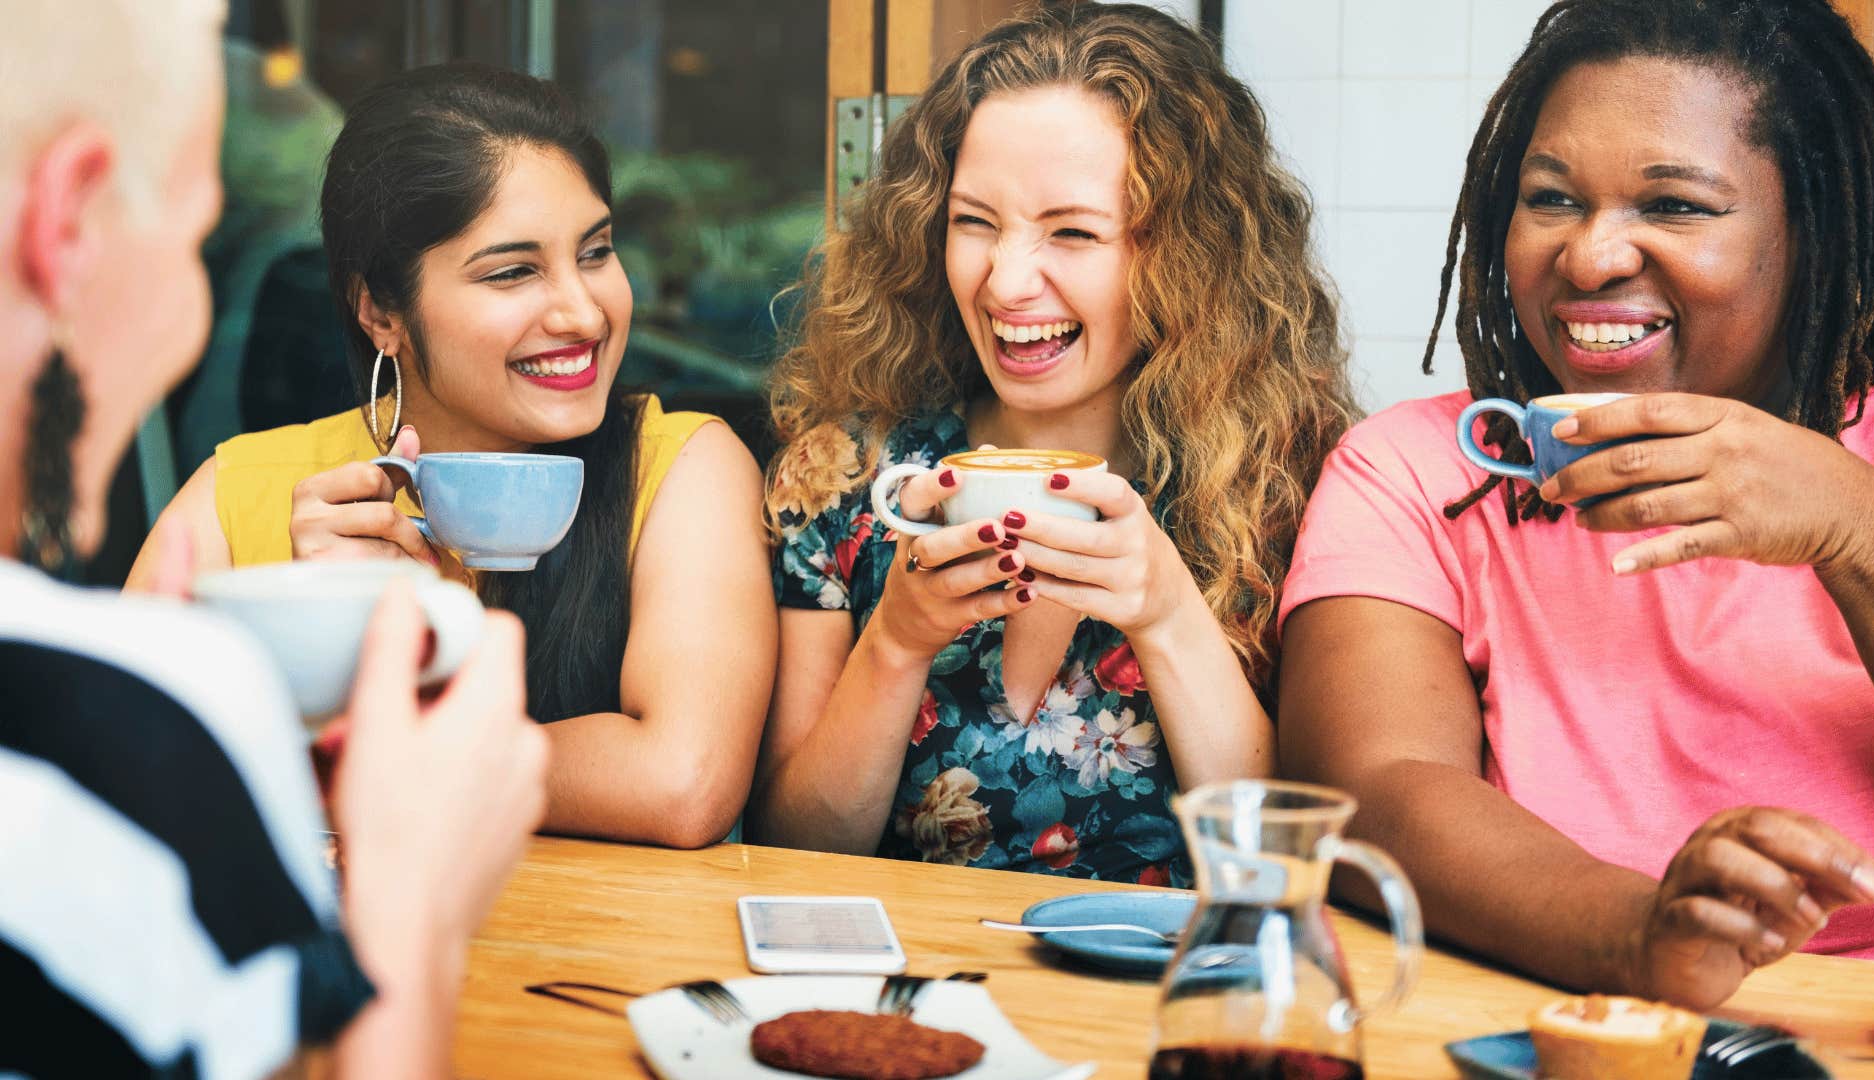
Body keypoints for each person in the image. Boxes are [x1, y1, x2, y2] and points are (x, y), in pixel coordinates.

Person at [1277, 0, 1874, 1011]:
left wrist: (1862, 529)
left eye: (1674, 205)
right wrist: (1638, 934)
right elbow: (1374, 790)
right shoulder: (1417, 470)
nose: (1589, 258)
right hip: (1547, 1017)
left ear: (1812, 229)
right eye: (1552, 199)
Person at [0, 1, 547, 1075]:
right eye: (194, 239)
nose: (191, 319)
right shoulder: (98, 740)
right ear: (67, 226)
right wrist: (412, 912)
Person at [757, 3, 1354, 880]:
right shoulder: (843, 479)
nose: (1005, 282)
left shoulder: (1299, 487)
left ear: (1190, 254)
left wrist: (1168, 616)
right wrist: (896, 643)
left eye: (1072, 232)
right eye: (973, 221)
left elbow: (1284, 870)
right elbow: (792, 853)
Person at [128, 65, 776, 848]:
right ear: (381, 312)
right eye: (513, 272)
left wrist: (357, 760)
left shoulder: (682, 468)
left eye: (596, 252)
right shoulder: (240, 496)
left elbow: (680, 782)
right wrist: (315, 633)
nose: (583, 313)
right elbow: (118, 771)